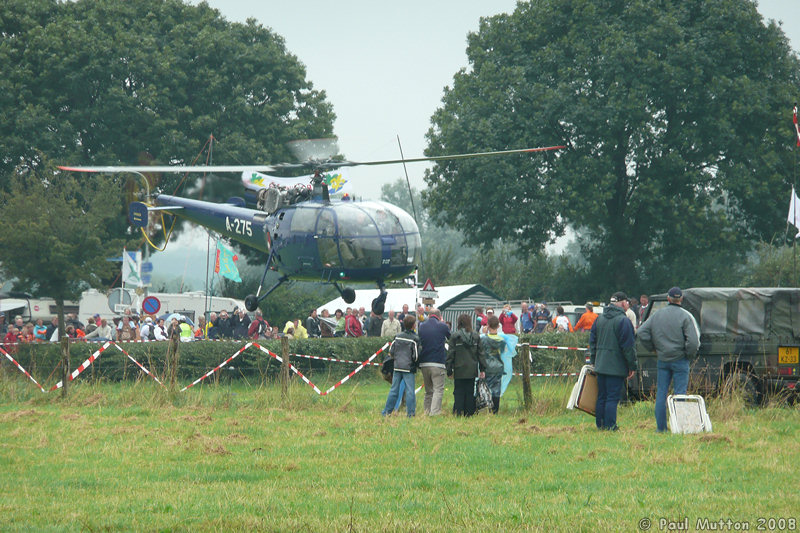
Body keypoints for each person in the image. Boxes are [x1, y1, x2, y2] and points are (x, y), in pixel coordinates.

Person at [636, 286, 700, 433]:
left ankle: (661, 428)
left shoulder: (657, 315)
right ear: (681, 299)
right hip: (680, 360)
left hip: (663, 360)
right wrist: (688, 355)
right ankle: (680, 427)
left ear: (668, 299)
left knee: (661, 393)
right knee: (679, 394)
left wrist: (652, 348)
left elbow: (641, 332)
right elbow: (693, 342)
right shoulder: (685, 316)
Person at [589, 291, 637, 431]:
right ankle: (610, 426)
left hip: (600, 364)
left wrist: (593, 360)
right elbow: (628, 347)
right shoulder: (623, 321)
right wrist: (632, 365)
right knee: (612, 397)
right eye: (627, 302)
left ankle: (600, 425)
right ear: (622, 303)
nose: (628, 304)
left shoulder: (599, 319)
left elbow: (592, 342)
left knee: (602, 396)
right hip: (616, 367)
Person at [446, 314, 486, 416]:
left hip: (459, 369)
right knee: (469, 391)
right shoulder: (476, 336)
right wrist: (482, 369)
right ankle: (469, 412)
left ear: (459, 322)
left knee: (458, 391)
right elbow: (481, 354)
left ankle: (459, 412)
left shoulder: (455, 336)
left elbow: (451, 354)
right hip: (472, 369)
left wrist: (449, 369)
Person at [381, 315, 420, 417]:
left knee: (394, 390)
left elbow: (391, 352)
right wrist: (415, 365)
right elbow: (416, 356)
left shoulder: (397, 337)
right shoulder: (415, 339)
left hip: (397, 366)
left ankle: (387, 412)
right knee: (410, 391)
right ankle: (410, 414)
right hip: (409, 368)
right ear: (413, 325)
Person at [417, 307, 450, 416]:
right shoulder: (443, 326)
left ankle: (426, 411)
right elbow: (450, 337)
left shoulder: (421, 326)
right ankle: (434, 413)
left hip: (424, 362)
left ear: (429, 315)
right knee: (438, 389)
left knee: (428, 390)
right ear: (439, 316)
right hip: (438, 362)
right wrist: (443, 323)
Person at [481, 315, 508, 414]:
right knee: (496, 389)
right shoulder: (502, 340)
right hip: (498, 366)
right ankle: (495, 411)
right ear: (498, 326)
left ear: (487, 325)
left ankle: (485, 408)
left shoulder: (483, 339)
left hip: (487, 366)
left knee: (485, 387)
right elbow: (504, 353)